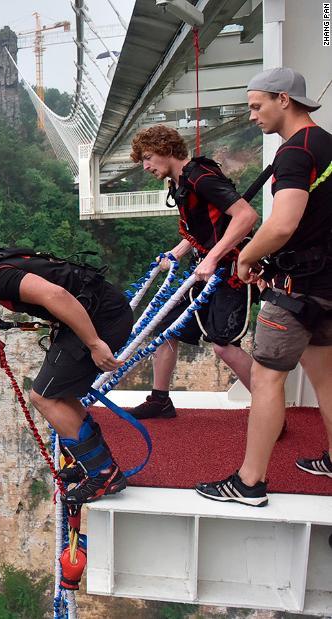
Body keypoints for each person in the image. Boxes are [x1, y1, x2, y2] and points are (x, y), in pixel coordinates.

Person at [196, 67, 332, 507]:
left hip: (296, 288)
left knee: (266, 377)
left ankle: (249, 481)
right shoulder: (326, 143)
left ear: (283, 100)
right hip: (327, 283)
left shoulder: (295, 153)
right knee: (326, 376)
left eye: (257, 105)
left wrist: (249, 256)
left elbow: (284, 221)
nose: (252, 115)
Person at [0, 218, 135, 503]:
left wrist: (94, 343)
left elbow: (56, 294)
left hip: (101, 318)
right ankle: (92, 462)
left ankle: (104, 473)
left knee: (43, 397)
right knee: (58, 392)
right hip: (96, 308)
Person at [125, 125, 260, 420]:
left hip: (230, 269)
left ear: (166, 149)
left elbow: (246, 217)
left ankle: (269, 411)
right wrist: (177, 252)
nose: (146, 166)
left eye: (148, 157)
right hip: (205, 268)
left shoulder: (200, 176)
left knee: (223, 346)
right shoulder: (181, 182)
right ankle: (160, 400)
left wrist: (212, 258)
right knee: (166, 329)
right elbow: (204, 227)